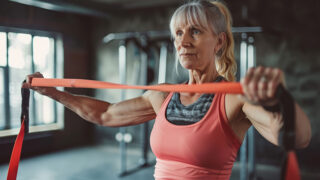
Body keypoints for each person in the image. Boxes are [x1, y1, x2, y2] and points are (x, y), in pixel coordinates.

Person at [23, 0, 311, 179]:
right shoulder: (163, 94)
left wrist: (279, 101)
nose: (183, 41)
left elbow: (297, 139)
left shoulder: (233, 98)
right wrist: (55, 93)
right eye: (178, 33)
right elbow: (107, 114)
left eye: (195, 31)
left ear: (219, 42)